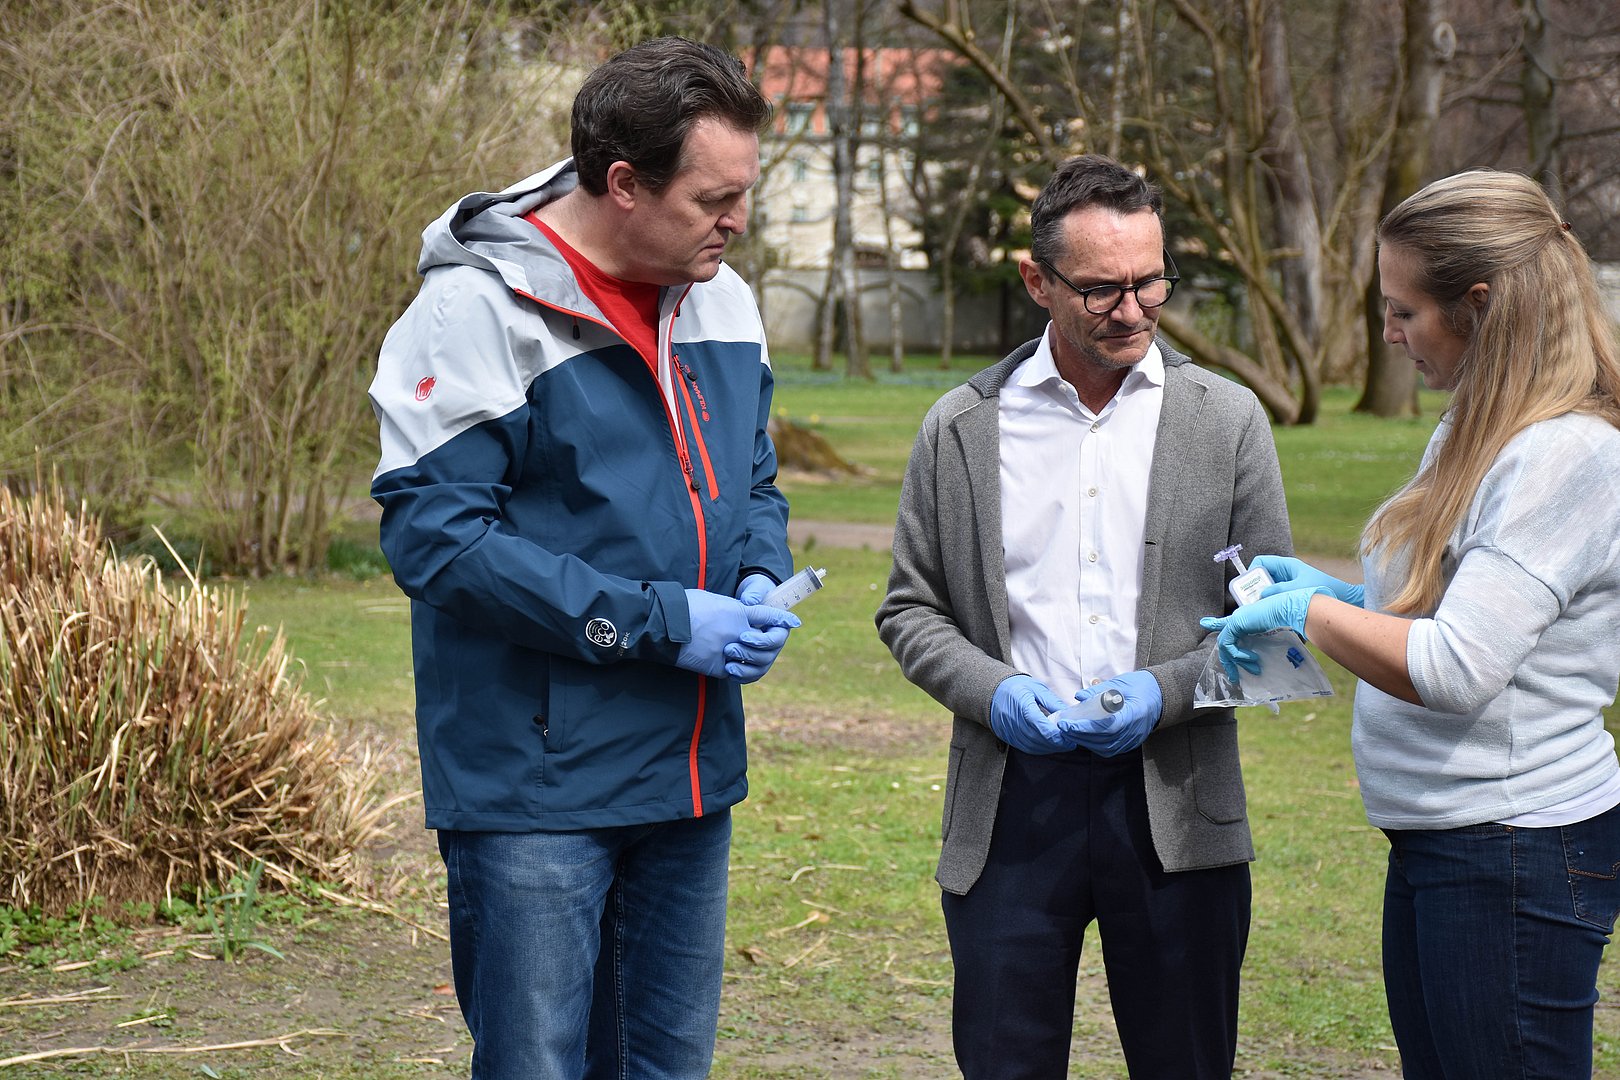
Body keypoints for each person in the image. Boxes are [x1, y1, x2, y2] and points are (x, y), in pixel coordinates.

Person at [368, 37, 801, 1080]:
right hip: (536, 789)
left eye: (744, 193)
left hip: (689, 776)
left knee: (666, 1067)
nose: (737, 222)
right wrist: (661, 622)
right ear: (623, 184)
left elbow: (753, 480)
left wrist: (755, 571)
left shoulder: (721, 297)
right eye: (713, 199)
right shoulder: (474, 313)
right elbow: (438, 540)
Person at [875, 153, 1293, 1079]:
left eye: (1152, 282)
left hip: (1179, 803)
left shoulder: (1227, 420)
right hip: (1010, 806)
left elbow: (1276, 633)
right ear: (1038, 282)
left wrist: (1164, 693)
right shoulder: (961, 427)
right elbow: (910, 610)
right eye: (1103, 289)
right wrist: (994, 691)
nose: (1134, 310)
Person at [1200, 169, 1620, 1078]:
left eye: (1404, 312)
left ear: (1481, 305)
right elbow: (1454, 612)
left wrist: (1308, 610)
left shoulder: (1562, 453)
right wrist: (1346, 598)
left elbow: (1457, 667)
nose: (1388, 334)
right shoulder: (1481, 423)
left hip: (1514, 846)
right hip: (1449, 841)